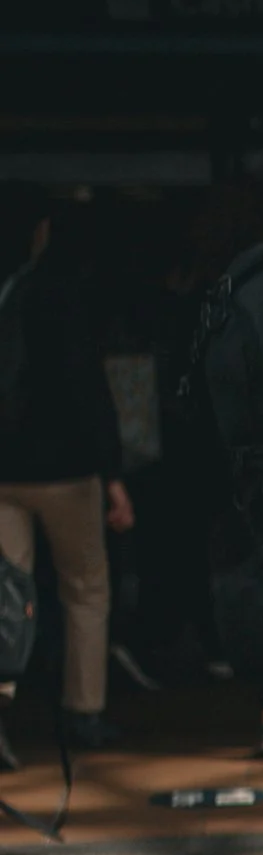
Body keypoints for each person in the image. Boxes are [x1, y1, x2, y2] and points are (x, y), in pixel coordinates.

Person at [0, 196, 135, 766]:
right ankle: (84, 712)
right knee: (85, 590)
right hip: (66, 471)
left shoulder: (10, 294)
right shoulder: (73, 298)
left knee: (8, 590)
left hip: (4, 468)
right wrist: (114, 476)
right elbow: (88, 392)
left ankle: (2, 708)